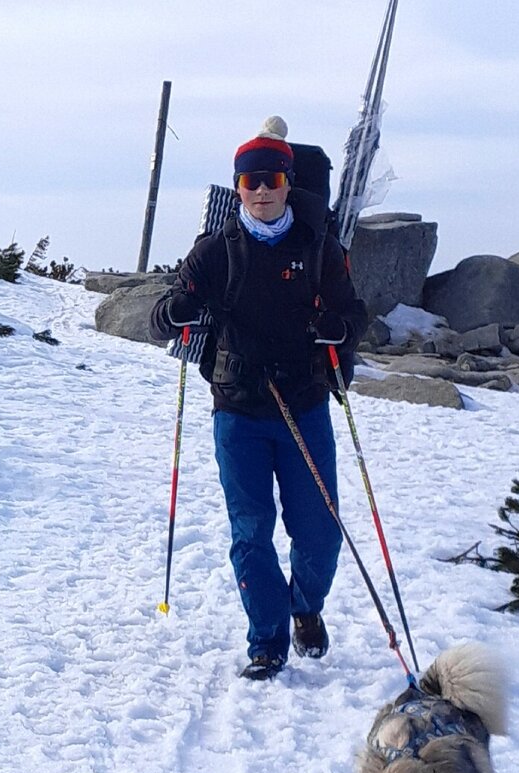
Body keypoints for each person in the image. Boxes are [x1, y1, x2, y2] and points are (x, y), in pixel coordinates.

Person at [151, 117, 368, 681]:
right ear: (239, 187)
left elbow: (354, 316)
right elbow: (162, 316)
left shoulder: (319, 247)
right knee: (251, 530)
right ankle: (267, 638)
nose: (263, 190)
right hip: (238, 406)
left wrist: (336, 330)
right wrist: (173, 314)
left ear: (288, 181)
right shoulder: (213, 253)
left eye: (272, 178)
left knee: (319, 531)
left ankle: (306, 607)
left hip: (304, 403)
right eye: (251, 182)